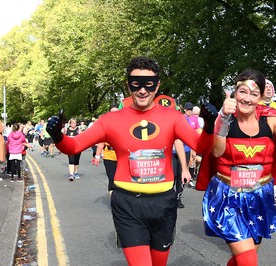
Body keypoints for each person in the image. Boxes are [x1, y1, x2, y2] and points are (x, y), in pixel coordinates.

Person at [46, 56, 217, 265]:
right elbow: (74, 146)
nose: (143, 90)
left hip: (163, 203)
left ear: (158, 85)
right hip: (127, 205)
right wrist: (58, 136)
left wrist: (209, 126)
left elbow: (201, 147)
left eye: (149, 84)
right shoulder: (110, 120)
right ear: (128, 85)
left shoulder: (172, 117)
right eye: (136, 84)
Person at [197, 69, 276, 265]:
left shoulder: (271, 118)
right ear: (234, 92)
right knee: (248, 260)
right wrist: (222, 120)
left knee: (244, 258)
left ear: (260, 97)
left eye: (254, 94)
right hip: (228, 197)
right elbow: (216, 152)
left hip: (260, 196)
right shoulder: (226, 117)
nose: (247, 99)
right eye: (243, 91)